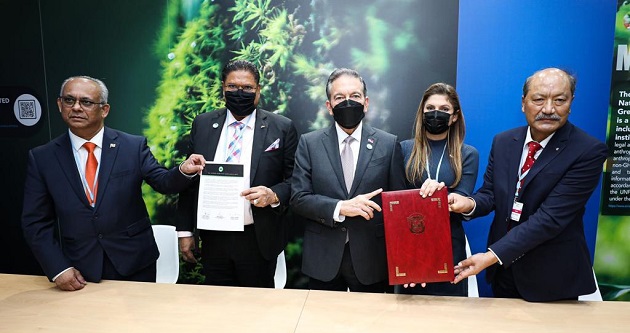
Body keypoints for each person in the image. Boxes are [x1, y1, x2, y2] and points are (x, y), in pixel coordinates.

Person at [22, 76, 206, 291]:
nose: (77, 108)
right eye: (69, 100)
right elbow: (35, 223)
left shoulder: (132, 146)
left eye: (87, 102)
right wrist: (58, 268)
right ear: (59, 104)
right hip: (80, 268)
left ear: (105, 109)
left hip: (135, 262)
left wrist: (183, 170)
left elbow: (163, 182)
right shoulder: (43, 158)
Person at [449, 68, 609, 302]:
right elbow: (492, 194)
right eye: (539, 99)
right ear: (524, 103)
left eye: (560, 100)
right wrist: (468, 203)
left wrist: (492, 256)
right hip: (505, 271)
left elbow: (550, 218)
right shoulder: (504, 141)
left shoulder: (588, 151)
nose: (548, 109)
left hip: (552, 277)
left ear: (571, 102)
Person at [176, 59, 298, 288]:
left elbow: (296, 180)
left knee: (257, 309)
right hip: (213, 237)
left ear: (258, 91)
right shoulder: (202, 124)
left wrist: (273, 195)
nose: (239, 92)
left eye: (247, 88)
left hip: (258, 237)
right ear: (223, 88)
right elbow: (190, 182)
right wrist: (184, 231)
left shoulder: (281, 127)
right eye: (232, 87)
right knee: (216, 306)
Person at [290, 68, 406, 293]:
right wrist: (341, 207)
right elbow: (298, 198)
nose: (348, 102)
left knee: (370, 326)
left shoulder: (388, 144)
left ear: (366, 102)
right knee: (323, 325)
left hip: (372, 260)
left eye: (354, 96)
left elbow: (397, 204)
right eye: (339, 98)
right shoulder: (309, 143)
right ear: (329, 107)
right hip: (323, 259)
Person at [397, 83, 479, 297]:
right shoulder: (403, 149)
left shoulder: (467, 154)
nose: (436, 114)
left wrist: (443, 196)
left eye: (444, 110)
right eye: (430, 108)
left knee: (449, 318)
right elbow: (395, 201)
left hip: (449, 246)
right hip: (409, 244)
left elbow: (462, 197)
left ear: (454, 117)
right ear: (422, 113)